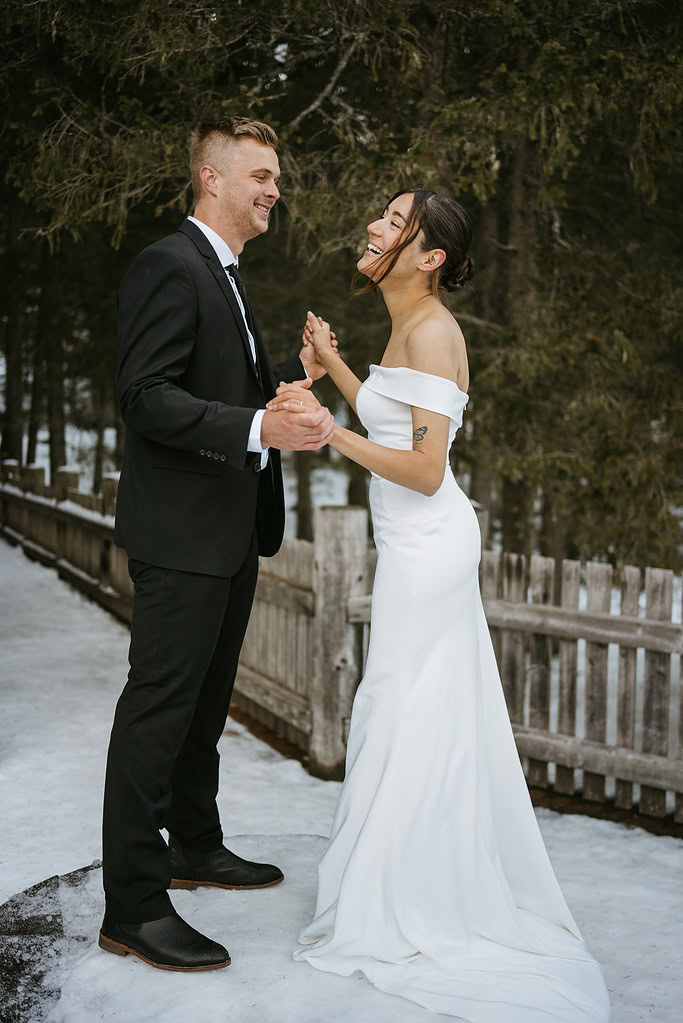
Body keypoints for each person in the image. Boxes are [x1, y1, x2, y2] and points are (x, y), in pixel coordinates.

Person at [269, 189, 611, 1020]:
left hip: (427, 548)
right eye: (381, 213)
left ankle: (407, 899)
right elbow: (396, 418)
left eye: (395, 221)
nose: (374, 226)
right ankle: (412, 878)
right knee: (412, 709)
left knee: (400, 706)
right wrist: (339, 367)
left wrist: (323, 427)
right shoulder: (406, 326)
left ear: (427, 257)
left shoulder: (430, 329)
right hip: (418, 546)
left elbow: (423, 469)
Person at [99, 116, 335, 972]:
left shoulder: (227, 275)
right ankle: (132, 904)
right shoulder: (170, 263)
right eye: (261, 175)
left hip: (231, 533)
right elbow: (146, 397)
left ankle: (195, 845)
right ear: (211, 177)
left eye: (277, 176)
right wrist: (253, 422)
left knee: (204, 710)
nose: (275, 189)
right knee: (157, 714)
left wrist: (288, 390)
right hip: (180, 535)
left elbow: (222, 390)